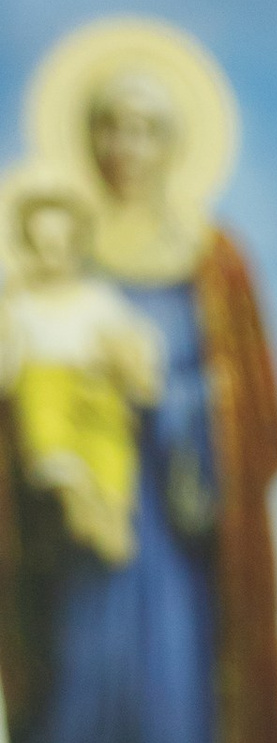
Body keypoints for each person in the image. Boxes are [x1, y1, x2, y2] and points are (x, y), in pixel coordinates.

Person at [0, 52, 277, 743]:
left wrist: (181, 408)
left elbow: (259, 411)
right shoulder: (55, 257)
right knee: (81, 709)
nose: (125, 146)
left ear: (175, 144)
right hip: (83, 543)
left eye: (144, 128)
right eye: (108, 128)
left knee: (180, 718)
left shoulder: (214, 260)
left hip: (176, 538)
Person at [0, 178, 163, 567]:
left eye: (61, 246)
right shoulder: (21, 304)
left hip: (97, 392)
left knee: (112, 448)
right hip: (48, 391)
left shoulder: (97, 298)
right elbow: (7, 367)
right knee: (41, 405)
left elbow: (132, 339)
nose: (51, 256)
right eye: (39, 246)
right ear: (25, 247)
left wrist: (130, 365)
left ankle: (111, 513)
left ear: (78, 247)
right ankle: (73, 494)